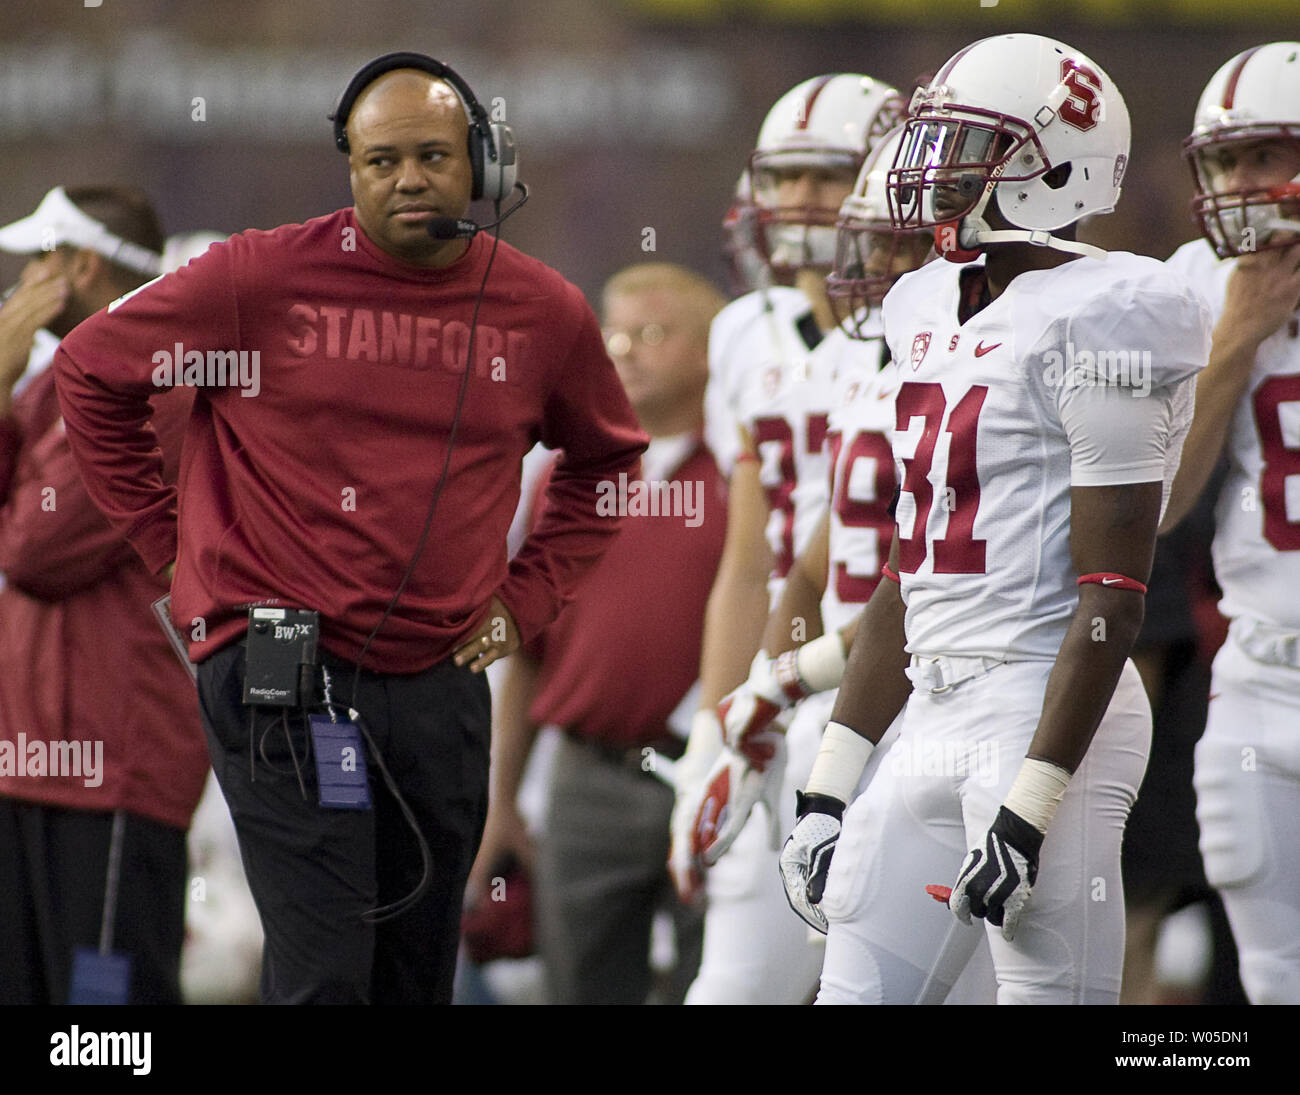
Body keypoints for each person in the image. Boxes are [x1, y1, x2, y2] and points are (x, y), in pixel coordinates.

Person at [52, 52, 647, 1005]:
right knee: (328, 972)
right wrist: (174, 551)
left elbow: (610, 461)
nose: (408, 179)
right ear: (351, 169)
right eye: (380, 162)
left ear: (482, 165)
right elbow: (90, 372)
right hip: (285, 672)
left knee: (413, 974)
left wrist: (526, 598)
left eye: (432, 156)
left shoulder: (543, 311)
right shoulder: (258, 276)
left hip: (440, 679)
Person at [779, 33, 1212, 1004]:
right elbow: (908, 575)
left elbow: (1110, 597)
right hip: (930, 705)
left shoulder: (1112, 311)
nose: (934, 170)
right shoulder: (922, 302)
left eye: (971, 144)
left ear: (1053, 162)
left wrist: (1028, 808)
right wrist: (826, 784)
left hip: (1044, 705)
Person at [669, 72, 903, 1004]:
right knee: (737, 979)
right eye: (785, 177)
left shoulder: (920, 328)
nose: (799, 202)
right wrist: (715, 728)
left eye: (827, 177)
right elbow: (747, 562)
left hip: (894, 664)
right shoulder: (741, 331)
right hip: (785, 671)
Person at [470, 262, 727, 1004]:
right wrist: (504, 797)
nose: (626, 351)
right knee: (579, 987)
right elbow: (525, 653)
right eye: (614, 333)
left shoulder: (749, 469)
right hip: (589, 776)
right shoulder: (565, 476)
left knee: (715, 983)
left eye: (653, 332)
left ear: (712, 350)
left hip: (715, 769)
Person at [0, 185, 210, 1004]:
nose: (21, 284)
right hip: (26, 760)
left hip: (112, 767)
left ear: (80, 266)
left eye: (39, 261)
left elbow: (33, 549)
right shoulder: (42, 388)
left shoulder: (150, 388)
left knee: (106, 1025)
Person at [1161, 40, 1300, 1005]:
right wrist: (1234, 342)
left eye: (1266, 154)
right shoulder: (1193, 287)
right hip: (1261, 673)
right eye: (1225, 161)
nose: (1241, 184)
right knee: (1268, 980)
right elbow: (1161, 502)